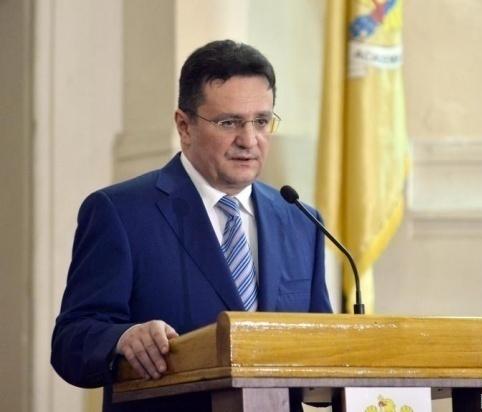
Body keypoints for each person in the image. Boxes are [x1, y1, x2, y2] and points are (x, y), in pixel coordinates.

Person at [51, 39, 332, 412]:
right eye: (229, 122)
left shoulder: (300, 220)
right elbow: (71, 342)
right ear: (184, 126)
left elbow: (324, 352)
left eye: (261, 121)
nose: (249, 140)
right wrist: (123, 337)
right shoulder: (120, 213)